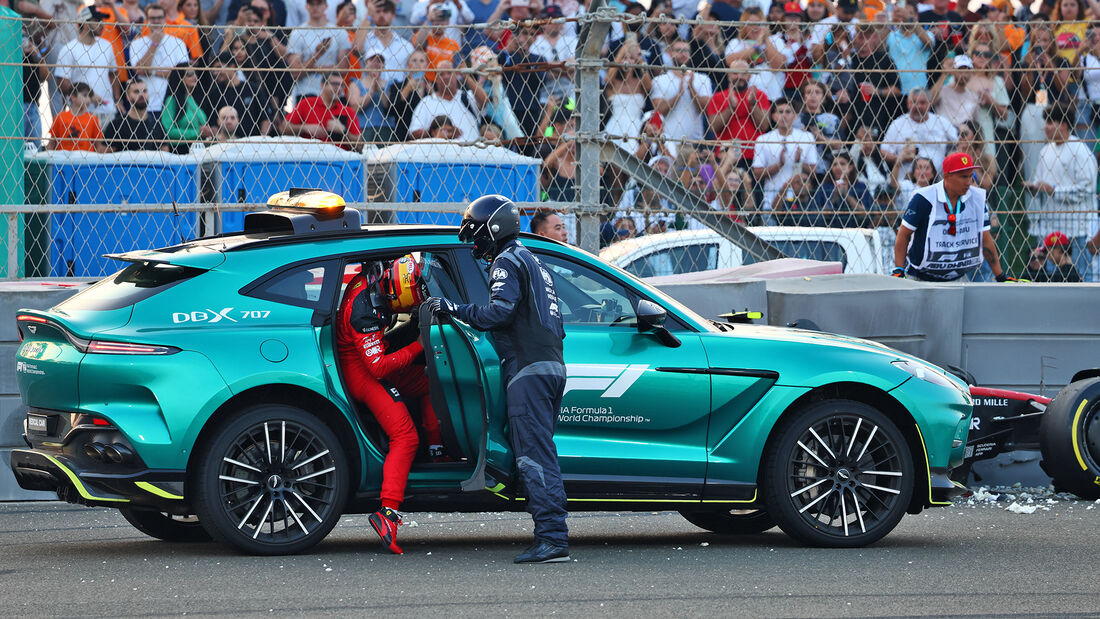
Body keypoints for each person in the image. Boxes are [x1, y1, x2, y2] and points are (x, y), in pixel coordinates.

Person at [424, 195, 569, 564]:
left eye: (476, 232)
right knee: (541, 452)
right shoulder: (530, 257)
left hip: (528, 369)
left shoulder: (506, 260)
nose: (473, 241)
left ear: (493, 228)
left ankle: (552, 539)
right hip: (550, 366)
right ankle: (551, 535)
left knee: (534, 457)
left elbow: (499, 313)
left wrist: (452, 307)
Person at [337, 255, 445, 555]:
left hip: (365, 359)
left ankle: (438, 453)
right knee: (406, 437)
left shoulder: (377, 274)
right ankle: (388, 513)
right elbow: (379, 368)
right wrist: (421, 344)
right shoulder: (363, 310)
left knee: (432, 384)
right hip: (360, 373)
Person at [893, 151, 1011, 282]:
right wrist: (899, 270)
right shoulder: (923, 198)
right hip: (919, 277)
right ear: (947, 176)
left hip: (957, 278)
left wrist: (1000, 276)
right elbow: (903, 234)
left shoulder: (977, 199)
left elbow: (986, 239)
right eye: (963, 177)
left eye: (970, 176)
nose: (968, 182)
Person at [1024, 102, 1098, 281]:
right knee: (1053, 281)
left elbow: (1086, 189)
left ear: (1063, 125)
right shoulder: (1044, 152)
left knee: (1081, 280)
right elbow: (1042, 184)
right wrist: (1034, 188)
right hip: (1051, 233)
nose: (1045, 127)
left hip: (1077, 230)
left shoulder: (1080, 151)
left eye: (1050, 122)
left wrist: (1054, 190)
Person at [753, 98, 819, 224]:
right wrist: (780, 164)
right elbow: (757, 174)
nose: (784, 115)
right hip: (771, 203)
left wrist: (798, 162)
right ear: (773, 116)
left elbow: (813, 172)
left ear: (795, 116)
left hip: (800, 204)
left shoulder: (806, 137)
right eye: (780, 111)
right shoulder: (763, 139)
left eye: (788, 112)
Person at [54, 6, 120, 127]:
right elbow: (63, 84)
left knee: (107, 146)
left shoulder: (106, 46)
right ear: (84, 23)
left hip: (107, 110)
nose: (102, 24)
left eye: (102, 21)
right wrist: (88, 95)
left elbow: (113, 74)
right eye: (97, 21)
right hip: (81, 112)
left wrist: (117, 100)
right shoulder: (69, 49)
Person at [880, 88, 958, 177]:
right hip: (907, 182)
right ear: (908, 104)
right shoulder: (898, 124)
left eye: (922, 103)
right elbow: (884, 150)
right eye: (914, 102)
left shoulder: (941, 122)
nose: (918, 106)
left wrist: (951, 156)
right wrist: (900, 158)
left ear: (929, 103)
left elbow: (958, 142)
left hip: (938, 180)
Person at [129, 4, 191, 114]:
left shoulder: (178, 43)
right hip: (147, 104)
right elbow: (139, 70)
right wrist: (154, 44)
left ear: (165, 19)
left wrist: (151, 71)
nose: (156, 21)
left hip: (172, 104)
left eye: (159, 18)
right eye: (152, 18)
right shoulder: (136, 44)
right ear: (147, 20)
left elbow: (182, 74)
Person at [284, 73, 362, 148]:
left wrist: (343, 131)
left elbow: (359, 146)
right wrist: (304, 128)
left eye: (342, 85)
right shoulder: (306, 104)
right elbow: (283, 128)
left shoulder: (348, 111)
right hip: (311, 157)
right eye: (335, 84)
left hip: (339, 159)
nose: (339, 88)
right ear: (323, 85)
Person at [104, 79, 169, 152]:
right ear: (127, 97)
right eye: (136, 92)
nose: (141, 95)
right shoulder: (116, 125)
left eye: (144, 91)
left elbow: (165, 155)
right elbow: (104, 155)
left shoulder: (157, 125)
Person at [161, 63, 212, 154]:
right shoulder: (171, 100)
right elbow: (169, 131)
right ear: (179, 77)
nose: (194, 77)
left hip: (200, 150)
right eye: (189, 74)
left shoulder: (192, 97)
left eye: (195, 73)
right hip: (181, 152)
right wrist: (197, 132)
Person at [47, 82, 105, 152]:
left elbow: (98, 146)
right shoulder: (60, 117)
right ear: (73, 97)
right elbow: (52, 143)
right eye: (85, 95)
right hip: (63, 161)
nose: (88, 99)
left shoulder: (93, 119)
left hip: (85, 161)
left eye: (90, 96)